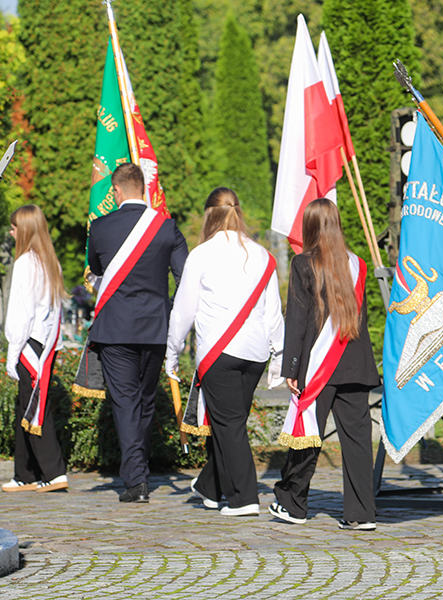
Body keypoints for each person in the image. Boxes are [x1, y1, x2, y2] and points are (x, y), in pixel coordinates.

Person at [165, 187, 284, 517]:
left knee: (229, 426)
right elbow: (274, 311)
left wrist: (171, 353)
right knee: (228, 423)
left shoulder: (201, 255)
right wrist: (279, 355)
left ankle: (244, 498)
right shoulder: (262, 254)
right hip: (256, 353)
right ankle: (209, 486)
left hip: (219, 353)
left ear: (208, 216)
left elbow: (183, 311)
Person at [270, 198, 381, 529]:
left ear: (310, 226)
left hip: (319, 369)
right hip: (357, 366)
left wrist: (290, 368)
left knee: (306, 436)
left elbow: (298, 321)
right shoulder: (358, 265)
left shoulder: (303, 263)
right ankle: (361, 515)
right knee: (358, 442)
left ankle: (293, 503)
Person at [88, 162, 188, 503]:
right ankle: (139, 471)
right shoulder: (167, 227)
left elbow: (98, 270)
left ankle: (136, 481)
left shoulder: (100, 227)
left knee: (126, 402)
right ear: (143, 188)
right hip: (156, 329)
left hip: (115, 329)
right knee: (144, 401)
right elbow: (185, 279)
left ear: (116, 191)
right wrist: (167, 308)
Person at [2, 205, 68, 493]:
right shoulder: (49, 261)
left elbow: (21, 312)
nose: (10, 231)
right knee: (24, 407)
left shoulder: (26, 263)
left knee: (35, 409)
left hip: (29, 344)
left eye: (14, 227)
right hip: (45, 343)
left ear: (25, 230)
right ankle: (25, 473)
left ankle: (54, 472)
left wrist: (12, 352)